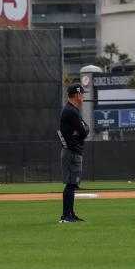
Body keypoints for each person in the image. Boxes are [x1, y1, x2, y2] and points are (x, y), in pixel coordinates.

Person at [58, 82, 90, 223]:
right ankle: (66, 216)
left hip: (71, 151)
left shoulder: (72, 110)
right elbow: (84, 132)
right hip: (72, 152)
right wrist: (81, 130)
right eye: (82, 94)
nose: (83, 96)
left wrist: (82, 130)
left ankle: (70, 213)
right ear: (77, 94)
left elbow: (85, 129)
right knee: (71, 184)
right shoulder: (71, 111)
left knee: (72, 184)